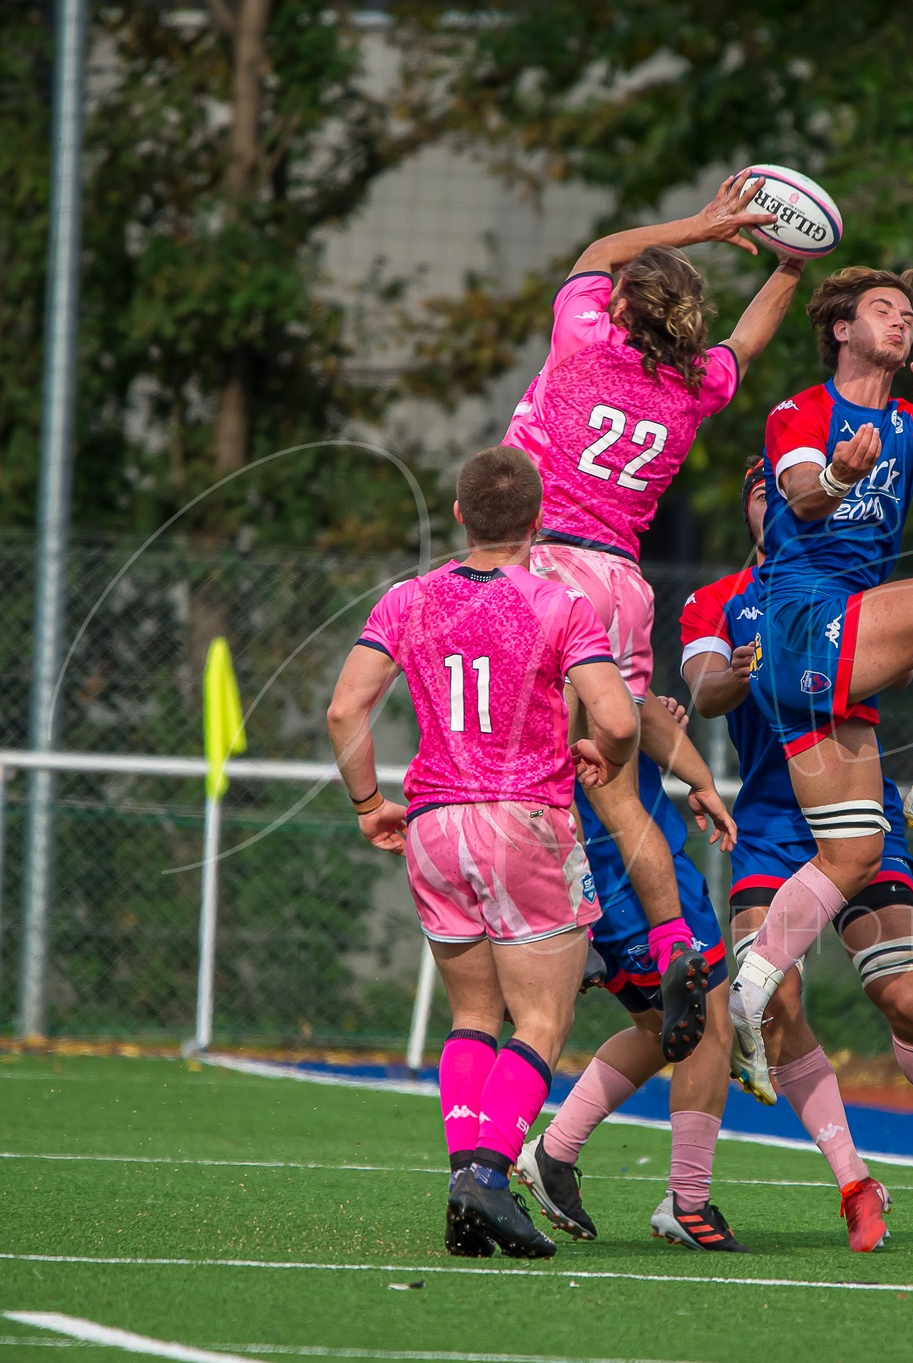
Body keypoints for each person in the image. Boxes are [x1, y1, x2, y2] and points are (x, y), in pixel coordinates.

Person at [679, 461, 913, 1251]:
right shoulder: (715, 600)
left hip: (859, 809)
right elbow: (701, 690)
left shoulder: (847, 596)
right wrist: (736, 674)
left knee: (904, 995)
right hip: (770, 824)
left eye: (785, 489)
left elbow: (909, 658)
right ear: (749, 510)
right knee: (772, 1002)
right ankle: (854, 1181)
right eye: (761, 489)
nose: (777, 499)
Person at [505, 172, 804, 1064]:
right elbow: (748, 339)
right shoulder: (692, 387)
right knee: (617, 784)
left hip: (549, 565)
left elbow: (599, 253)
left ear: (624, 304)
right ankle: (672, 941)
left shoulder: (586, 338)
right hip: (623, 586)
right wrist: (792, 263)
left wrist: (708, 227)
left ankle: (576, 935)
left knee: (531, 772)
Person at [325, 445, 637, 1261]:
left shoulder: (407, 598)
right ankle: (488, 1176)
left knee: (472, 1015)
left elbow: (343, 709)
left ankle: (467, 1178)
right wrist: (601, 749)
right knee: (543, 1016)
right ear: (538, 520)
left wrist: (367, 805)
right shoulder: (560, 604)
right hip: (524, 820)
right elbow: (620, 718)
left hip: (432, 824)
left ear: (460, 516)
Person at [726, 266, 913, 1111]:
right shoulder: (801, 411)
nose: (901, 322)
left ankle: (749, 987)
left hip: (835, 652)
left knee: (852, 855)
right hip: (799, 617)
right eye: (883, 310)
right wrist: (843, 479)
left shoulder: (905, 416)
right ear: (842, 329)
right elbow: (801, 493)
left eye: (908, 314)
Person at [516, 703, 747, 1253]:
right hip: (639, 876)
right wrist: (703, 781)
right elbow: (634, 717)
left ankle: (555, 1152)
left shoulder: (525, 647)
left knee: (657, 1031)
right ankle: (687, 1202)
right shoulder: (583, 629)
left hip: (590, 877)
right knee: (707, 1029)